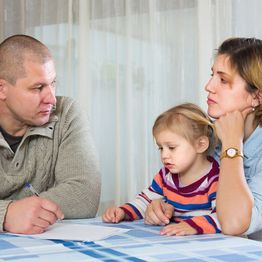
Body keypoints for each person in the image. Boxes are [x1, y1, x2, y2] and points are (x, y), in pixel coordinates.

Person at [144, 37, 262, 240]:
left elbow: (233, 223)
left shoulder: (229, 143)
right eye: (212, 75)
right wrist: (163, 207)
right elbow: (193, 198)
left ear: (256, 96)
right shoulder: (205, 137)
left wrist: (232, 145)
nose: (208, 86)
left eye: (223, 80)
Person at [0, 34, 101, 234]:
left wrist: (18, 212)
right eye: (38, 88)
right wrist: (7, 214)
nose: (52, 99)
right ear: (2, 89)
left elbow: (84, 195)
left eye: (53, 83)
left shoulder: (67, 112)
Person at [103, 103, 221, 236]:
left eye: (171, 147)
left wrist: (192, 226)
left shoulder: (215, 179)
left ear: (200, 145)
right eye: (161, 148)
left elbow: (223, 217)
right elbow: (145, 201)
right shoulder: (166, 175)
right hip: (176, 240)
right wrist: (123, 212)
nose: (164, 155)